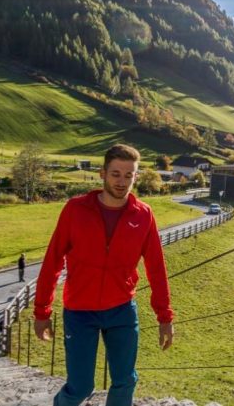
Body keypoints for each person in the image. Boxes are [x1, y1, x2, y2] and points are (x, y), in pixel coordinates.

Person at [32, 144, 175, 406]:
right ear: (102, 173)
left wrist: (165, 317)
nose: (122, 182)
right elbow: (52, 261)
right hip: (79, 311)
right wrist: (42, 311)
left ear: (136, 177)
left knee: (125, 380)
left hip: (121, 310)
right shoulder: (75, 210)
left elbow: (156, 268)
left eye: (128, 175)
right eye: (116, 174)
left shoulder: (144, 215)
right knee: (80, 387)